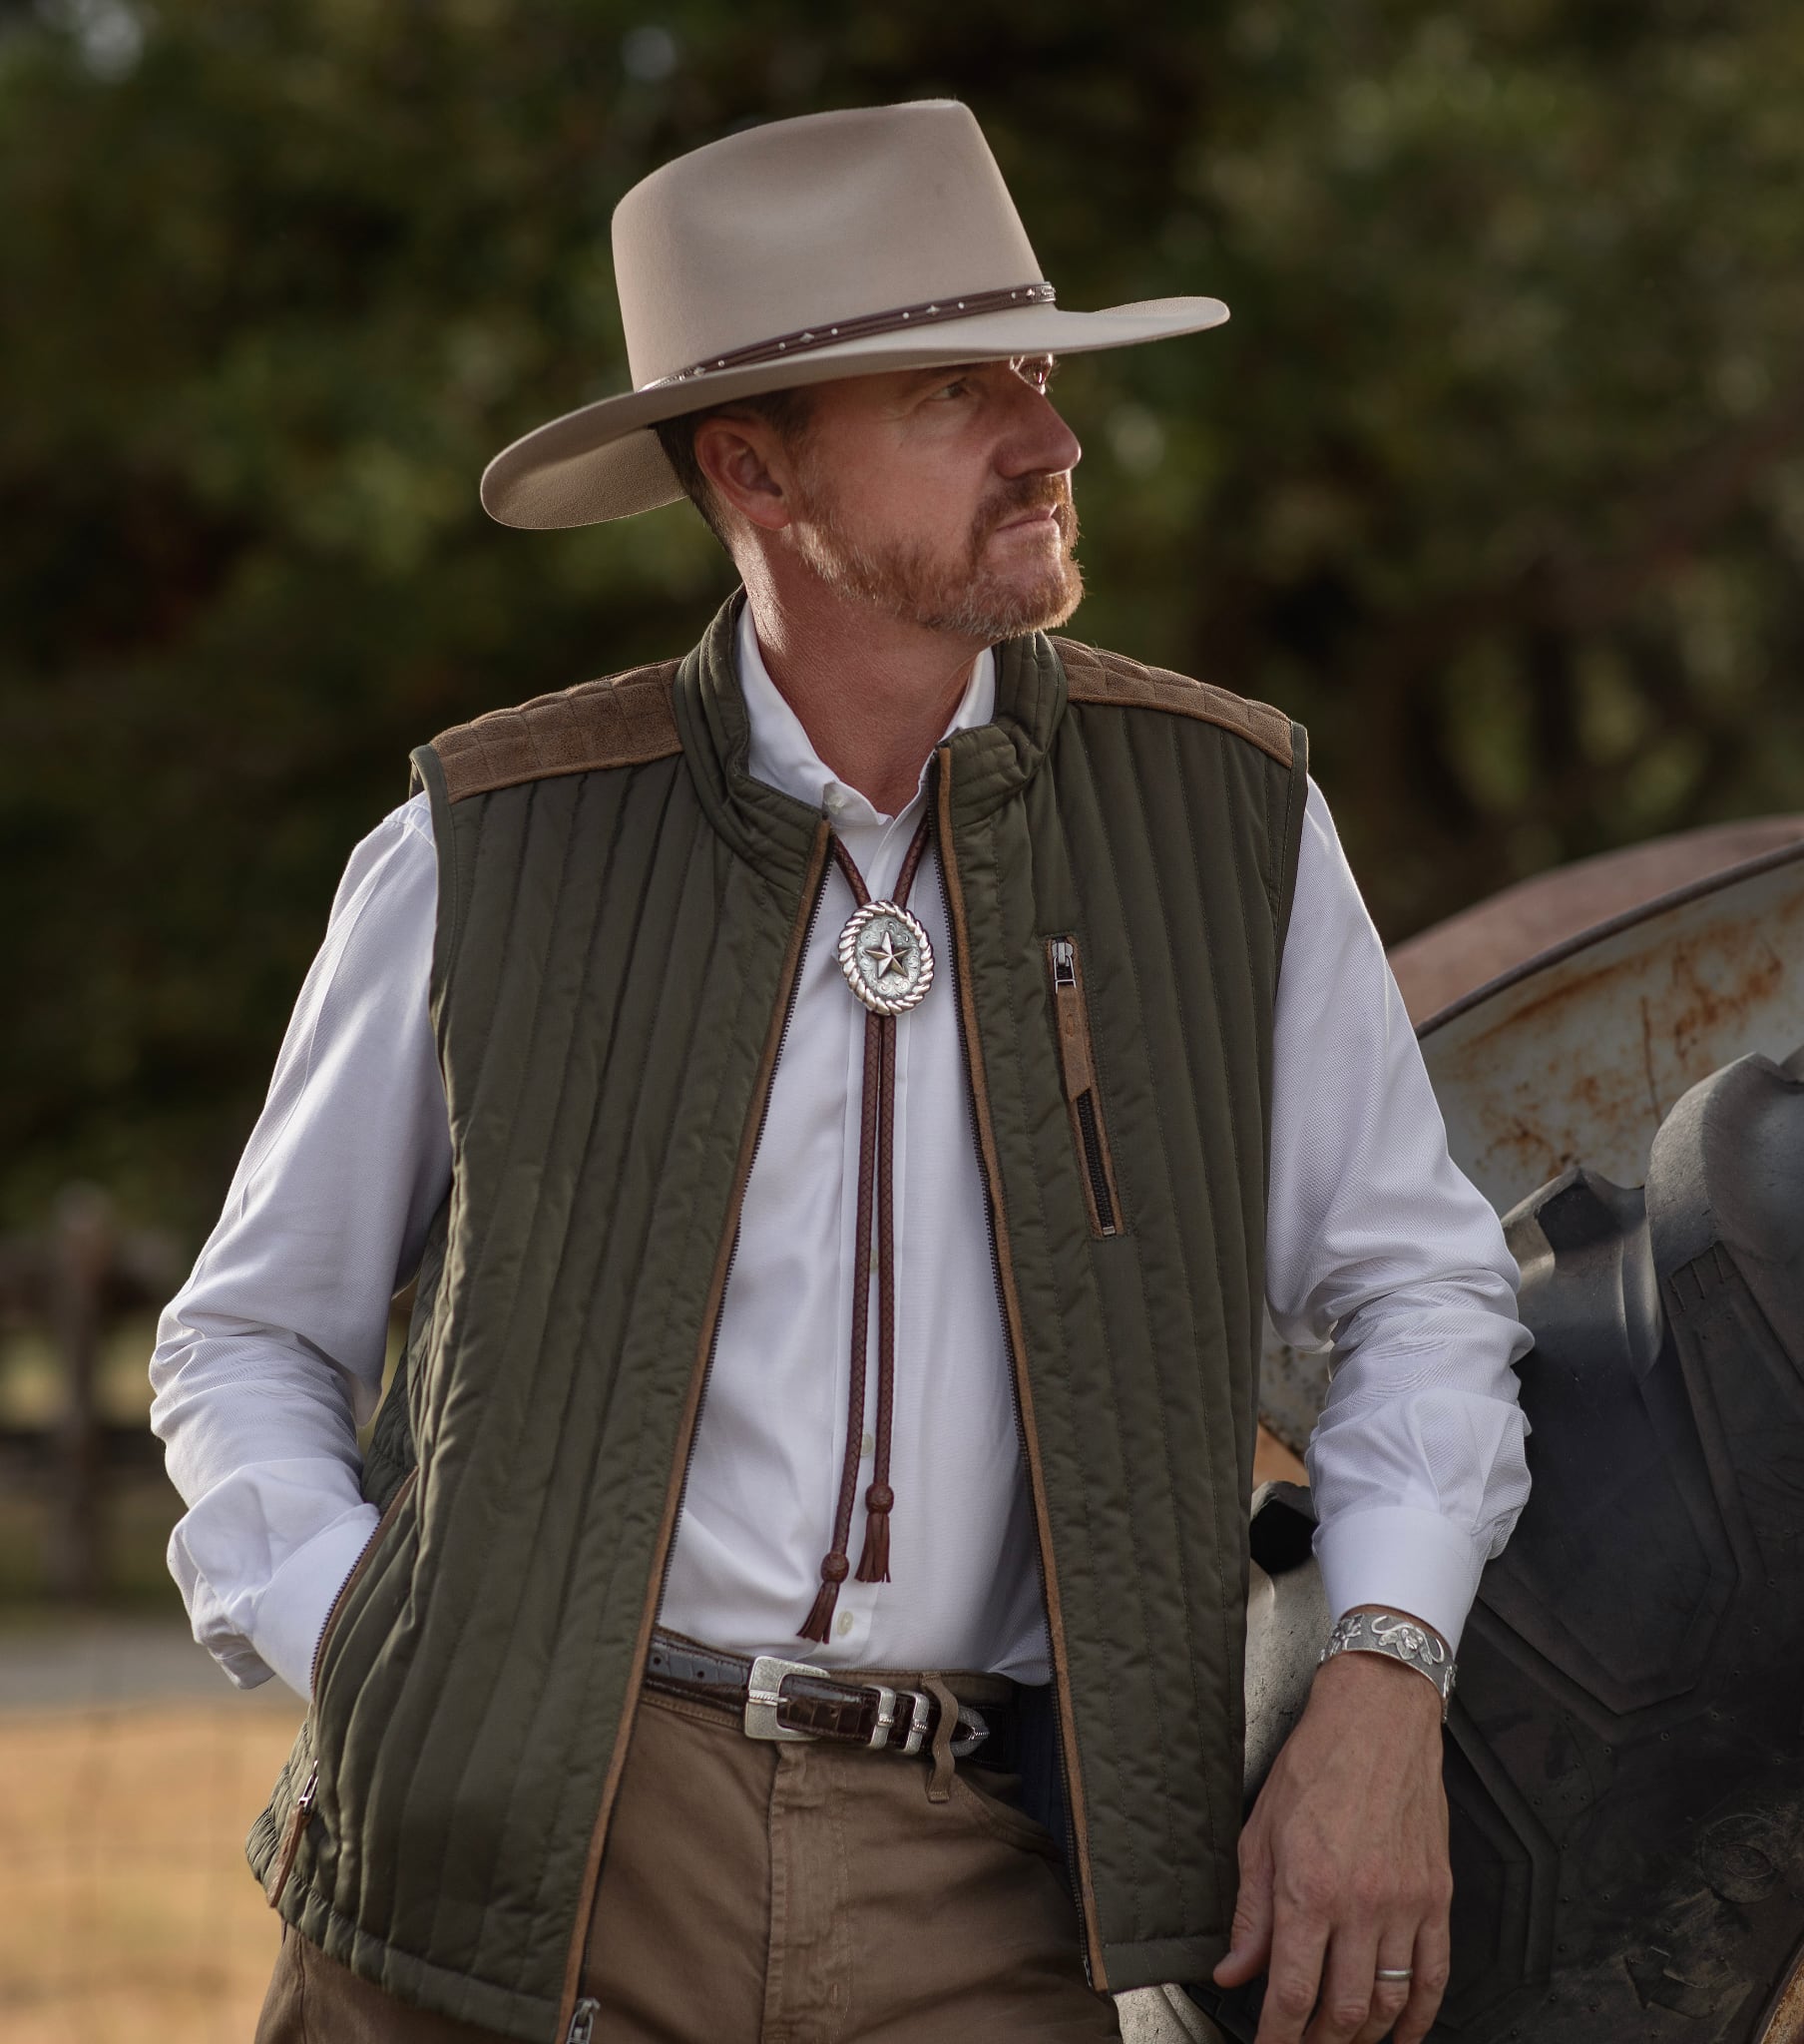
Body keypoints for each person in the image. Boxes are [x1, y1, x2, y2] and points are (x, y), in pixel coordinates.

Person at [150, 99, 1531, 2044]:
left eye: (1040, 374)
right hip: (507, 1880)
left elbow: (1420, 1289)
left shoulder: (1229, 821)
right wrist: (381, 1666)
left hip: (981, 1873)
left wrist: (1385, 1675)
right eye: (955, 392)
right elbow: (241, 1341)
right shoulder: (489, 843)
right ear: (752, 464)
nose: (1049, 441)